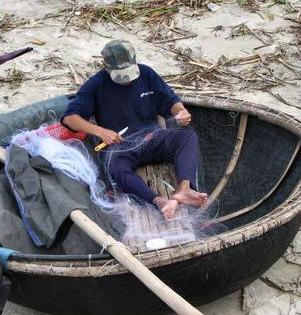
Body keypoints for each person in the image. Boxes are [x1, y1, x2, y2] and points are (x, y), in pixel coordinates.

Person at [61, 40, 207, 220]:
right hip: (120, 147)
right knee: (117, 169)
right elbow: (70, 118)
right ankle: (159, 201)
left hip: (153, 138)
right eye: (121, 75)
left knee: (187, 137)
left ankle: (184, 189)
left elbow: (171, 101)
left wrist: (181, 112)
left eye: (129, 73)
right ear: (106, 66)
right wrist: (100, 131)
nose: (127, 80)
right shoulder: (95, 85)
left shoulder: (146, 74)